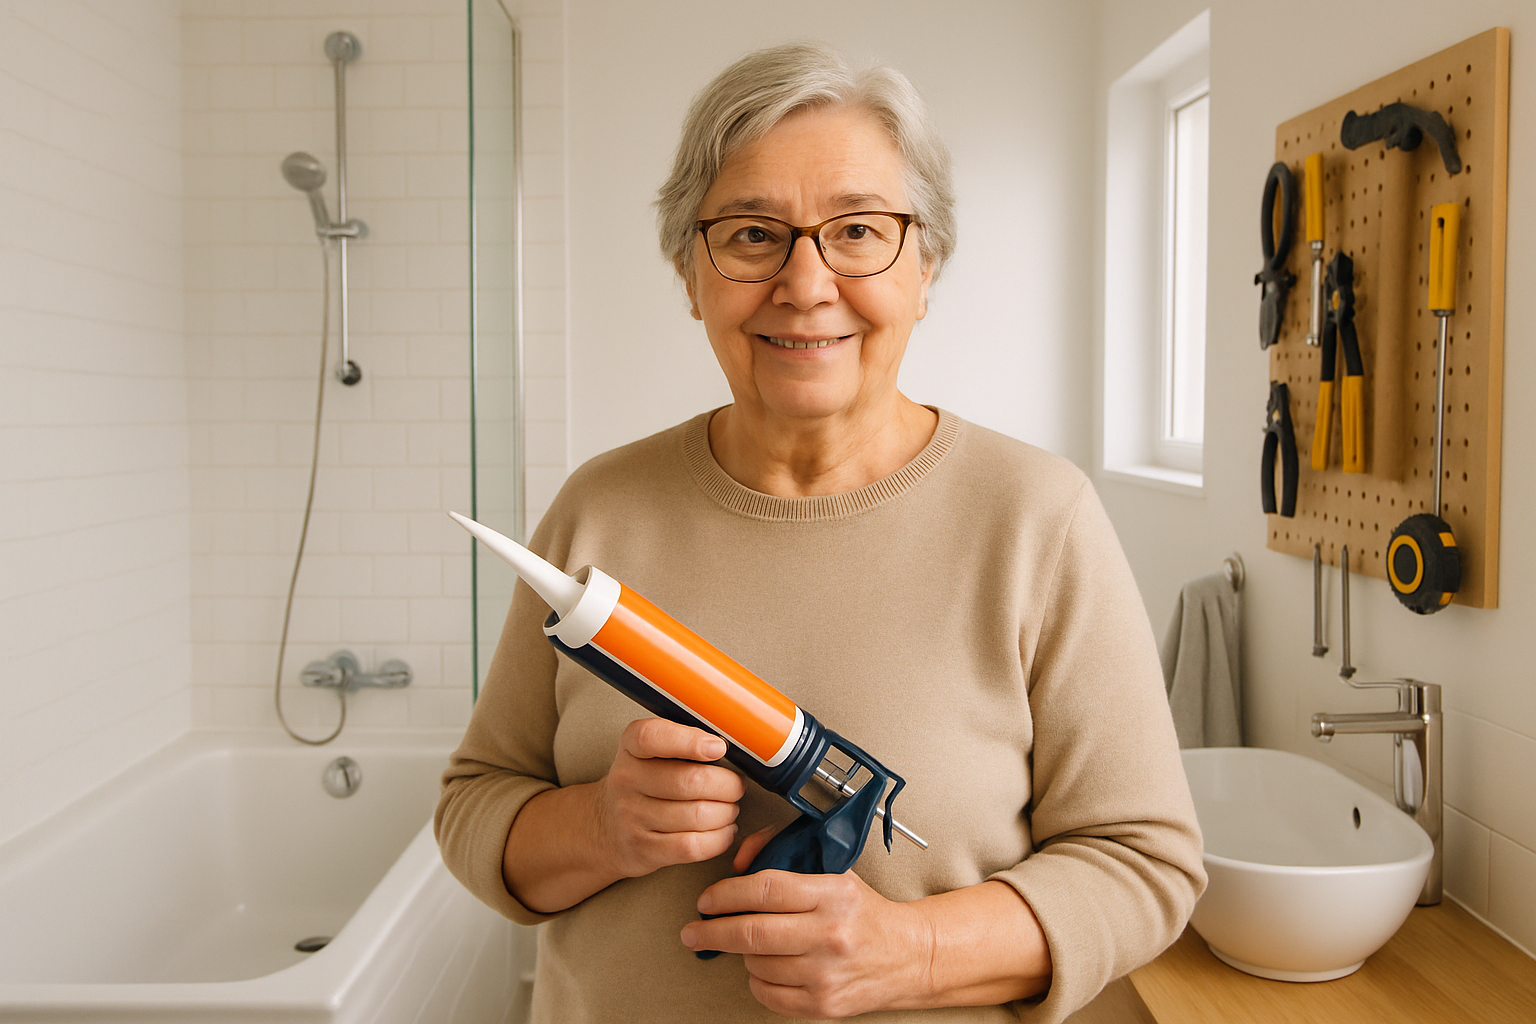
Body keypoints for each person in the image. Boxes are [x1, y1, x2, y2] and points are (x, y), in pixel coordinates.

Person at [436, 41, 1205, 1024]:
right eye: (754, 234)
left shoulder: (1037, 519)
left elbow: (1146, 865)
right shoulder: (599, 509)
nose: (805, 283)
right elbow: (475, 806)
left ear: (926, 267)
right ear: (690, 272)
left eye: (857, 230)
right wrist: (600, 825)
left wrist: (914, 953)